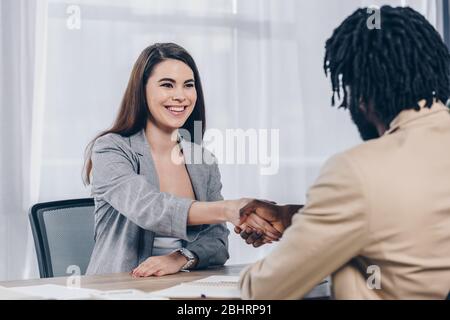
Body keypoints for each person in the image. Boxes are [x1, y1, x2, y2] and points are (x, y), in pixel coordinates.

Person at [237, 6, 450, 299]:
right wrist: (296, 218)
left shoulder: (358, 171)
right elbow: (412, 220)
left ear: (359, 92)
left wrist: (321, 237)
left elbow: (261, 292)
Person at [83, 43, 280, 277]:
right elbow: (150, 208)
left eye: (189, 85)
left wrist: (180, 258)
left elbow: (217, 242)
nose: (180, 96)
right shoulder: (110, 149)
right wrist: (230, 209)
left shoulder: (202, 161)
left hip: (182, 288)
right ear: (142, 90)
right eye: (167, 85)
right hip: (120, 289)